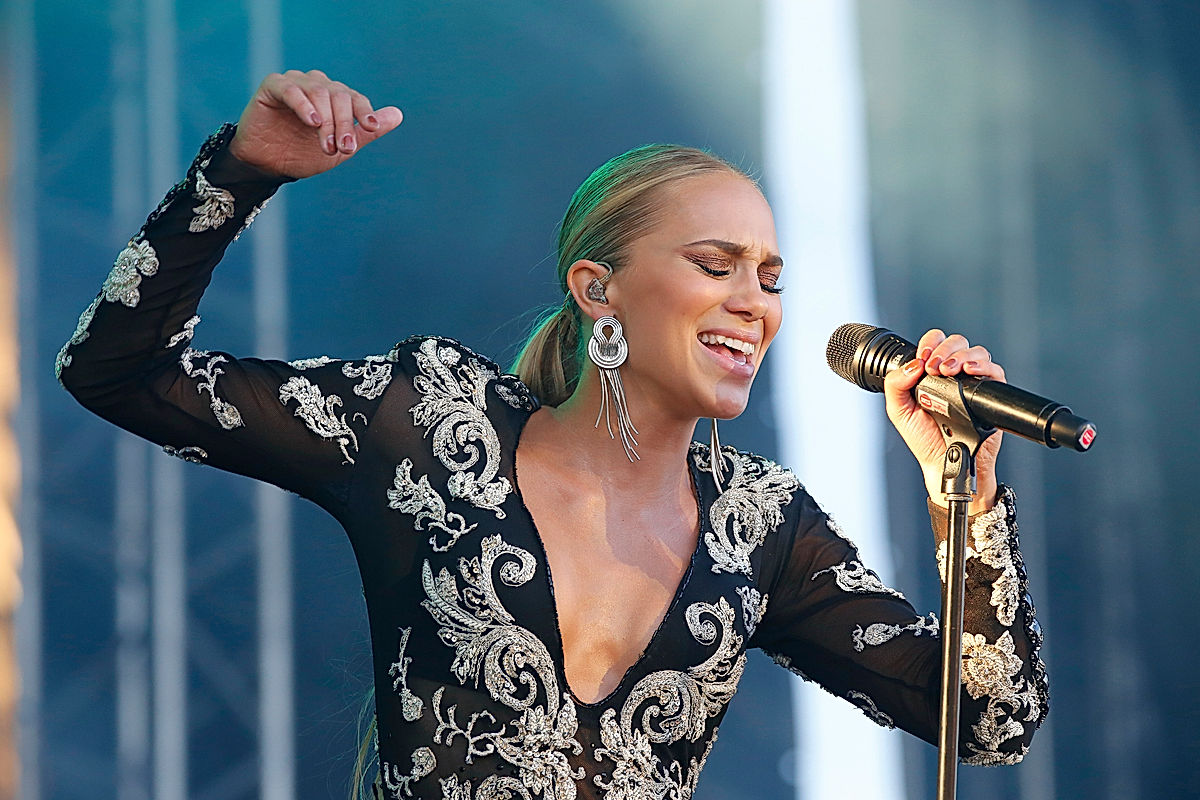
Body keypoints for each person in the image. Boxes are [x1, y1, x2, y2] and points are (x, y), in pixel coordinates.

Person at [57, 70, 1047, 799]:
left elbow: (991, 717)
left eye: (772, 278)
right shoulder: (435, 425)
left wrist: (963, 485)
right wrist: (238, 175)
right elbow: (120, 371)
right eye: (717, 264)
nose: (755, 303)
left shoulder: (761, 523)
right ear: (598, 289)